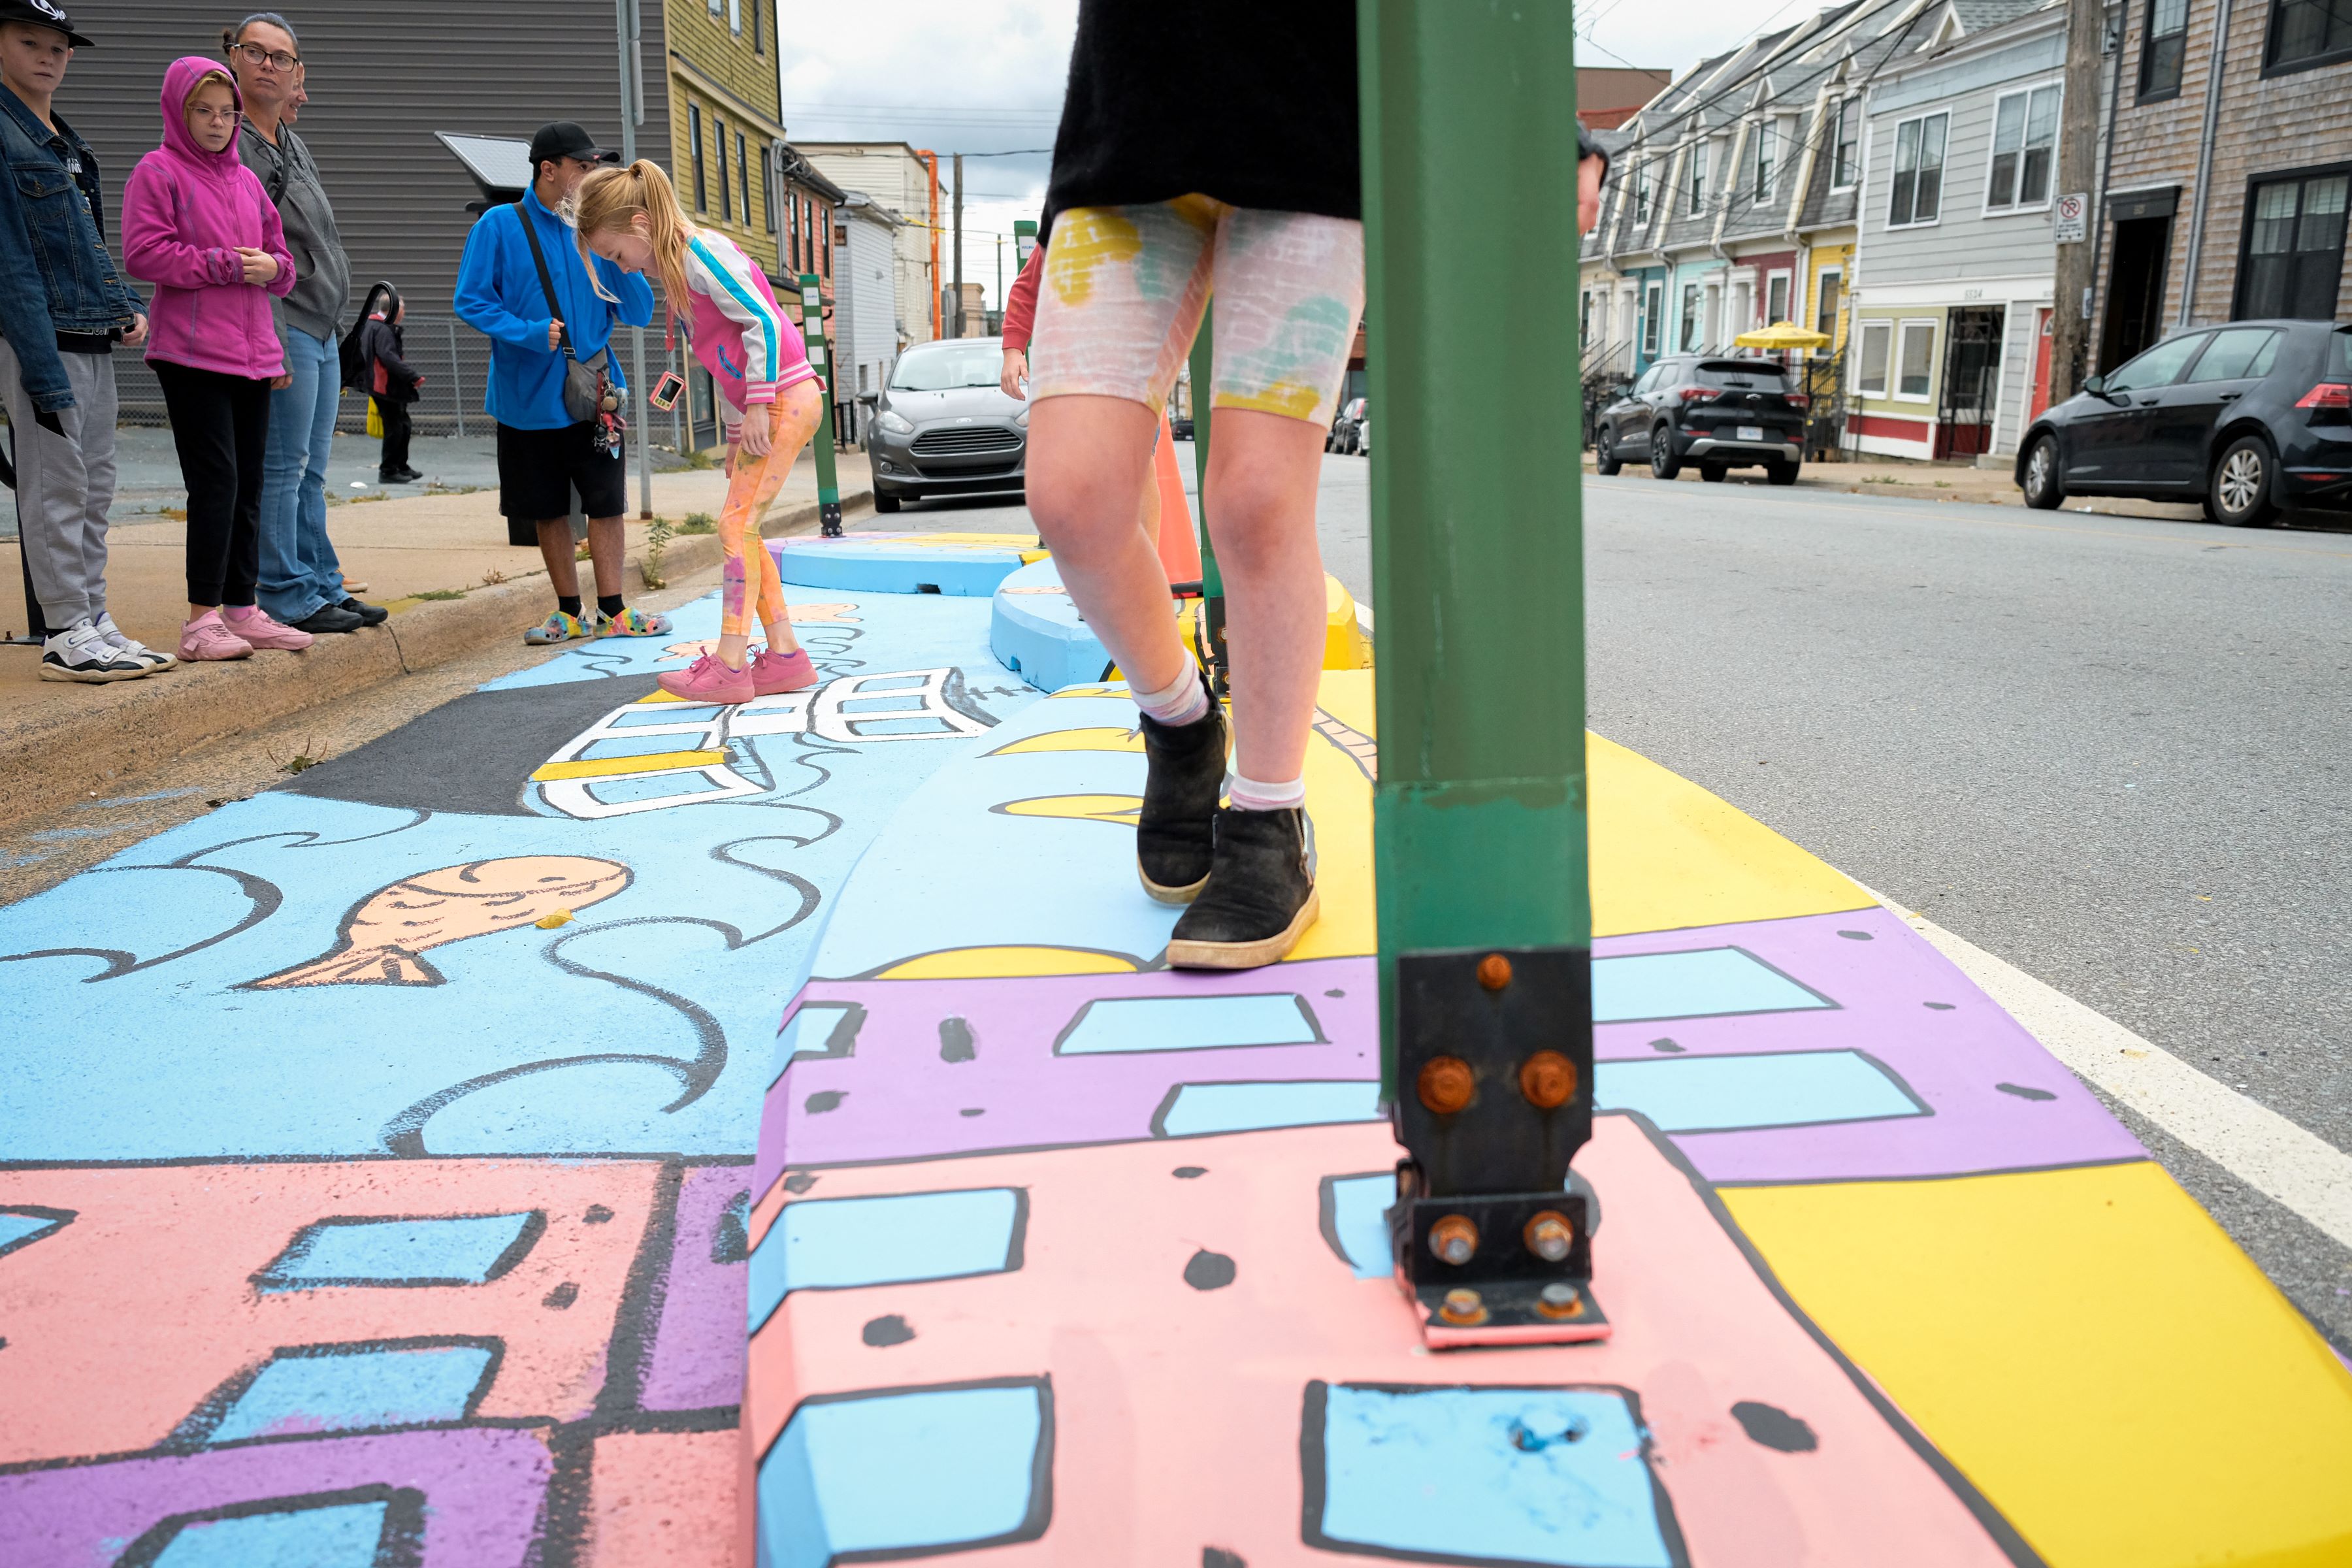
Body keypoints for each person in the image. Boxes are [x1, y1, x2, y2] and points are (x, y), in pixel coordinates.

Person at [1024, 3, 1608, 970]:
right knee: (1073, 496)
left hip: (1311, 141)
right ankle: (1181, 724)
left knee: (1256, 499)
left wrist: (1542, 119)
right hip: (1125, 131)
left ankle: (1267, 819)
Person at [572, 159, 822, 703]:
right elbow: (724, 359)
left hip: (785, 397)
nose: (625, 267)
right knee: (744, 530)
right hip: (771, 402)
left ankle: (732, 666)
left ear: (641, 224)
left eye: (617, 254)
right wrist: (736, 433)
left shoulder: (702, 254)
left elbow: (764, 320)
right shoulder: (681, 269)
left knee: (735, 529)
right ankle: (785, 656)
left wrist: (757, 407)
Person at [0, 0, 170, 681]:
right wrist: (38, 365)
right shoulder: (5, 136)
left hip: (89, 332)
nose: (48, 56)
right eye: (29, 41)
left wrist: (123, 302)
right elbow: (11, 261)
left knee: (96, 485)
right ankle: (64, 629)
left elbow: (89, 244)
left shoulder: (63, 141)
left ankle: (94, 617)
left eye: (60, 47)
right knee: (56, 487)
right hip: (39, 336)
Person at [123, 56, 312, 662]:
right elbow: (144, 253)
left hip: (253, 354)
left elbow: (283, 263)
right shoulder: (158, 171)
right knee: (217, 483)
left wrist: (270, 268)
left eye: (226, 113)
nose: (217, 123)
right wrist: (230, 264)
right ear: (178, 112)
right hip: (192, 354)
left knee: (249, 485)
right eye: (202, 111)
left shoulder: (247, 181)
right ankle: (200, 620)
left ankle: (242, 609)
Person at [455, 120, 669, 647]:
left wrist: (629, 261)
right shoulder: (499, 226)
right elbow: (471, 300)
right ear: (548, 170)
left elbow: (640, 312)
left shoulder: (597, 230)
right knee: (547, 508)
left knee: (607, 503)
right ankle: (569, 611)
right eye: (582, 166)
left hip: (598, 393)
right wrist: (528, 332)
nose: (591, 174)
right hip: (526, 395)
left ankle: (614, 610)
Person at [226, 12, 377, 634]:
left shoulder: (288, 141)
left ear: (297, 74)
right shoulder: (229, 145)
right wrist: (269, 339)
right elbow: (244, 251)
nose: (268, 64)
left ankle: (320, 583)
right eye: (254, 52)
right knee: (283, 469)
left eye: (280, 57)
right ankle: (286, 594)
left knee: (311, 469)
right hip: (282, 323)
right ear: (231, 60)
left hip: (318, 326)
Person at [354, 282, 421, 483]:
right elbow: (388, 357)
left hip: (384, 384)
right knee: (395, 428)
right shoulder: (382, 328)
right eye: (403, 308)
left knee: (403, 425)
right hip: (385, 386)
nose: (404, 313)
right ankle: (389, 471)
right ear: (393, 309)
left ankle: (400, 465)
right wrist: (412, 376)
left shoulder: (374, 325)